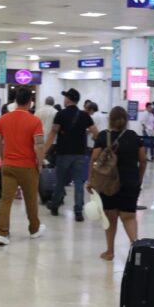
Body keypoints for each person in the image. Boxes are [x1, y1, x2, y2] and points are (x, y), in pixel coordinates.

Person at [87, 106, 146, 261]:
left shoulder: (102, 136)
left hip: (107, 184)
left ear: (109, 120)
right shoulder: (134, 136)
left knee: (110, 217)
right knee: (129, 217)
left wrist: (90, 180)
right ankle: (136, 251)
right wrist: (139, 177)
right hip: (130, 182)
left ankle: (110, 252)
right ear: (126, 120)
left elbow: (94, 158)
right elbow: (143, 159)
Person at [0, 87, 46, 246]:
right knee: (30, 199)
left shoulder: (4, 119)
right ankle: (34, 229)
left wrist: (3, 157)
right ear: (30, 102)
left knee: (6, 199)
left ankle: (2, 233)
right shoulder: (35, 121)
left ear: (16, 100)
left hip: (8, 165)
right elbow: (39, 145)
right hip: (28, 166)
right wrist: (40, 162)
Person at [44, 89, 99, 222]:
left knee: (60, 181)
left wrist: (45, 150)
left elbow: (53, 133)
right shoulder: (85, 115)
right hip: (80, 154)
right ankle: (78, 211)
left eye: (65, 97)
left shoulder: (61, 114)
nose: (64, 99)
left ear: (68, 99)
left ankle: (55, 206)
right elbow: (96, 133)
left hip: (63, 153)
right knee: (79, 182)